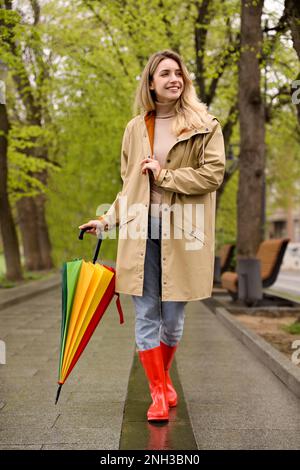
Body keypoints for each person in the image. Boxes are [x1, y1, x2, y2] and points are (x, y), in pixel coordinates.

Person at [79, 49, 226, 422]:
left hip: (185, 227)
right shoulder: (134, 128)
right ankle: (158, 391)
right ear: (151, 82)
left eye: (178, 73)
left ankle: (162, 379)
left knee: (173, 316)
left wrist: (164, 176)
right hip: (139, 229)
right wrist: (106, 221)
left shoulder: (205, 125)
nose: (174, 78)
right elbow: (128, 186)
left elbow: (212, 176)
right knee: (146, 313)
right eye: (165, 73)